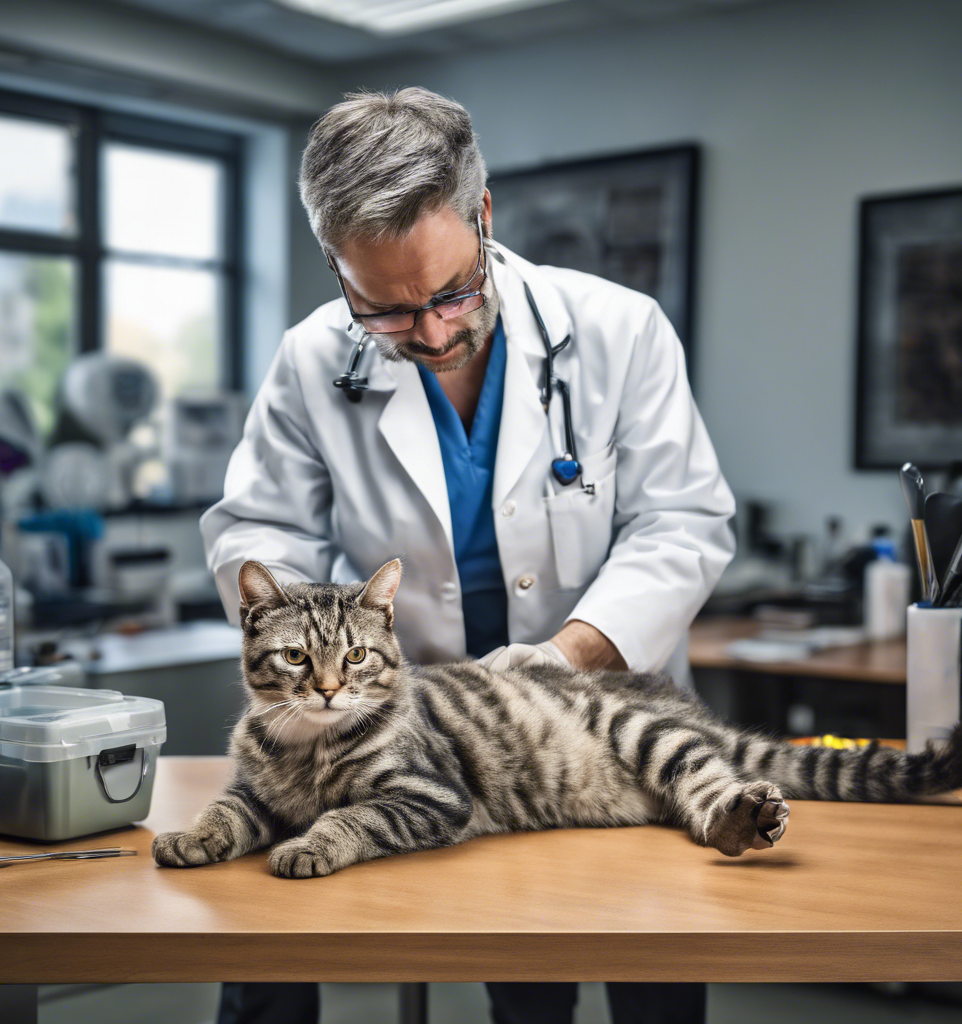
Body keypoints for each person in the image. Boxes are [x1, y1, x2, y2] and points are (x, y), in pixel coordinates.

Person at [202, 87, 734, 1024]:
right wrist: (297, 632)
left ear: (484, 215)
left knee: (653, 976)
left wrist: (563, 660)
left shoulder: (619, 330)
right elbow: (260, 531)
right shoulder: (309, 361)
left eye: (452, 292)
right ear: (335, 262)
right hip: (432, 752)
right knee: (521, 994)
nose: (436, 332)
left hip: (601, 724)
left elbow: (682, 525)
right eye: (389, 313)